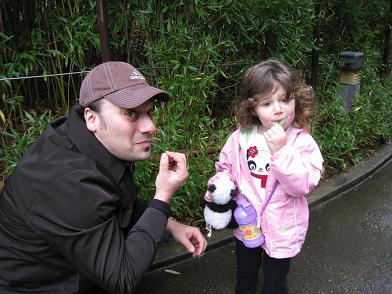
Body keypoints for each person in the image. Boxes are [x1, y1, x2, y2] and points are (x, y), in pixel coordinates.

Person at [0, 61, 207, 293]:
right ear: (91, 118)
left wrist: (169, 224)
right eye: (130, 113)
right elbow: (123, 279)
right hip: (42, 285)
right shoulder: (71, 180)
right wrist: (162, 200)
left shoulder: (85, 140)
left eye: (149, 112)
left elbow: (120, 200)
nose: (150, 126)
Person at [204, 59, 323, 294]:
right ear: (253, 108)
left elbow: (301, 185)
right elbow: (226, 169)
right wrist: (217, 187)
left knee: (275, 281)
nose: (278, 109)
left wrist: (281, 150)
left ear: (295, 100)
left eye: (285, 100)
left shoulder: (301, 142)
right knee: (245, 274)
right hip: (247, 223)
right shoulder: (241, 138)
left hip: (282, 227)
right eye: (267, 103)